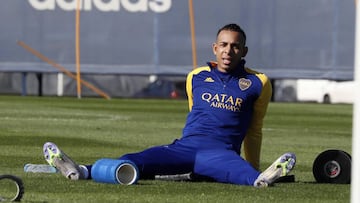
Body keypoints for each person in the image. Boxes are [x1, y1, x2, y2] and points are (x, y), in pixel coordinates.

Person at [43, 23, 296, 187]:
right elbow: (195, 116)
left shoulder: (257, 82)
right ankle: (79, 171)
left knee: (251, 178)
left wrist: (252, 165)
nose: (228, 51)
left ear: (244, 51)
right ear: (215, 48)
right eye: (224, 45)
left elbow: (254, 129)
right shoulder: (196, 76)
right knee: (133, 161)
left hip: (220, 153)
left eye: (235, 46)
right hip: (184, 148)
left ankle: (264, 176)